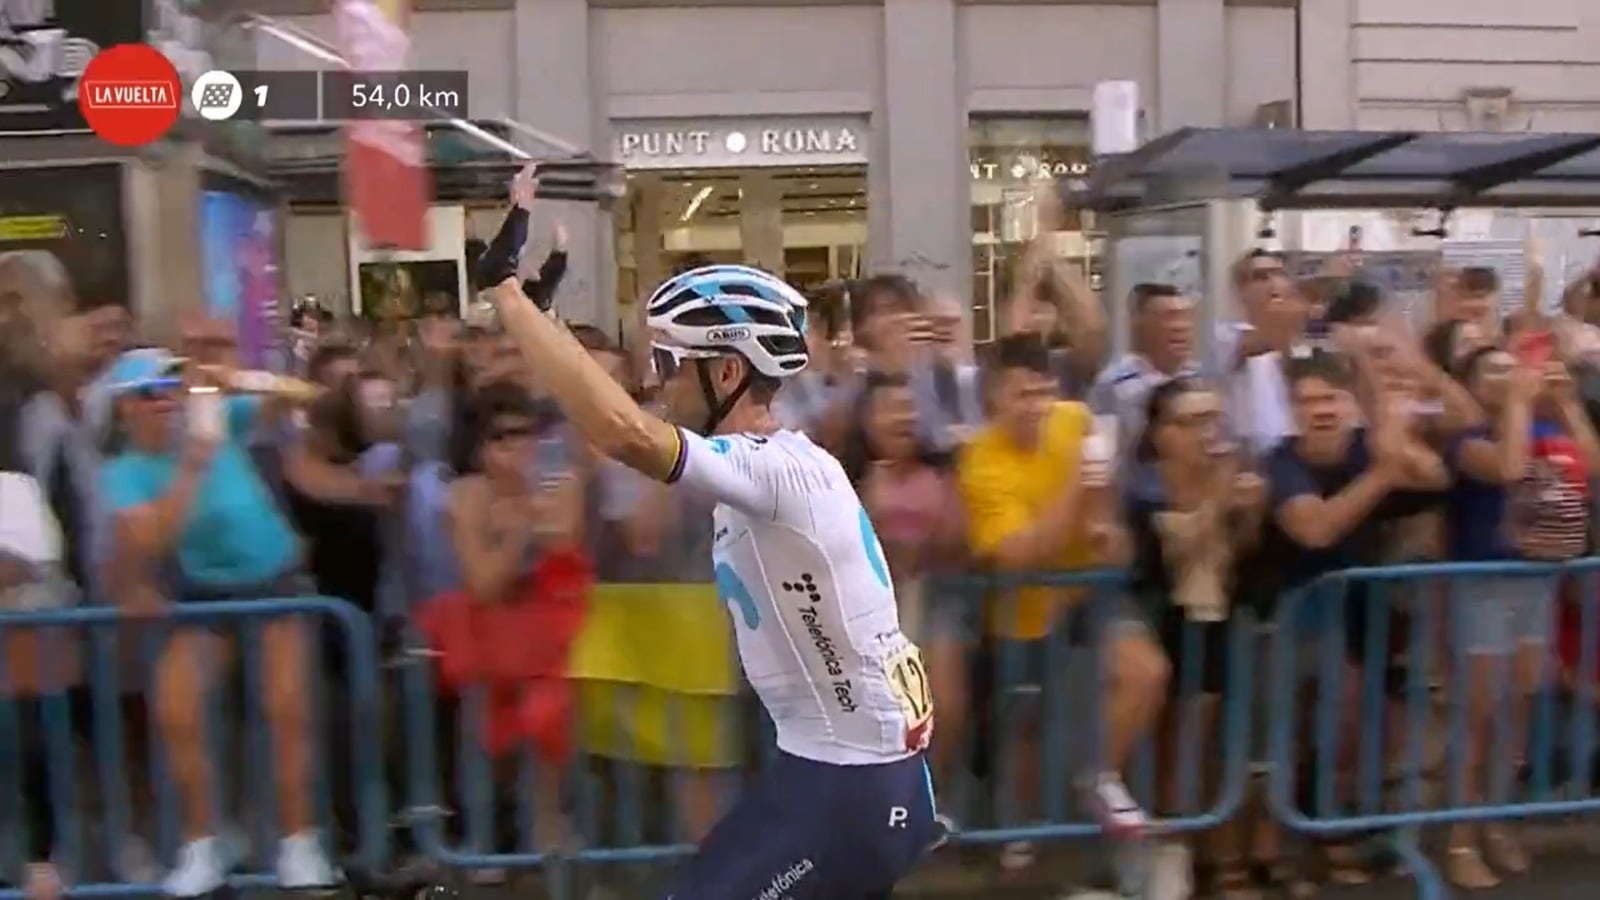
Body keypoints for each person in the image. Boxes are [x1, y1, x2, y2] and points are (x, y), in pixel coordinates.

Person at [486, 259, 937, 900]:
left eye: (670, 364)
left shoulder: (774, 470)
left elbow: (623, 432)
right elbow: (612, 421)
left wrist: (509, 302)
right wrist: (545, 320)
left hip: (852, 787)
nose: (653, 380)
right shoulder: (763, 471)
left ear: (727, 372)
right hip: (825, 772)